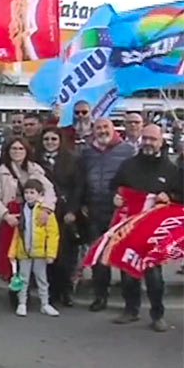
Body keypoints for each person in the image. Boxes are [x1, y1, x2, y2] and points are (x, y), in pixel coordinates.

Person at [109, 123, 181, 332]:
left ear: (161, 141)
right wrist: (116, 196)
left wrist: (171, 197)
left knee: (154, 276)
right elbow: (114, 185)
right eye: (145, 138)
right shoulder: (128, 165)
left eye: (153, 139)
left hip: (155, 232)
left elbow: (181, 196)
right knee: (128, 272)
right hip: (130, 228)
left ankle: (157, 315)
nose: (148, 143)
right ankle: (130, 310)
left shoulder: (171, 169)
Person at [79, 117, 135, 312]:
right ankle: (100, 296)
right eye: (98, 128)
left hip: (120, 212)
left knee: (123, 257)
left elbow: (134, 180)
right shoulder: (86, 152)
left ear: (113, 129)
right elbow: (81, 180)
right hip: (95, 211)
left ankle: (130, 304)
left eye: (106, 127)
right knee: (99, 258)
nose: (102, 131)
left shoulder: (127, 150)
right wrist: (83, 202)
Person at [0, 138, 56, 278]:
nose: (17, 152)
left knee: (30, 255)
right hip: (8, 219)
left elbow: (49, 191)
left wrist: (46, 210)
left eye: (20, 149)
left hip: (32, 217)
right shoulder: (1, 172)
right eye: (14, 148)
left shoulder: (36, 170)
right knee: (8, 257)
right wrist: (5, 215)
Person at [37, 127, 83, 307]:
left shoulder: (72, 159)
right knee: (47, 254)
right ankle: (50, 292)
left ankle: (66, 291)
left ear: (60, 140)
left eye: (53, 139)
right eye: (46, 139)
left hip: (65, 212)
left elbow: (79, 187)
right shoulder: (36, 160)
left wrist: (73, 210)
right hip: (44, 211)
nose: (50, 142)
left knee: (65, 256)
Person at [9, 179, 60, 317]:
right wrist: (12, 252)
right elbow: (17, 234)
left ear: (40, 194)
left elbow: (52, 234)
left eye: (32, 192)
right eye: (26, 192)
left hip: (40, 252)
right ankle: (22, 303)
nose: (29, 195)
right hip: (24, 251)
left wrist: (50, 254)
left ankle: (45, 303)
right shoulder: (22, 210)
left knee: (42, 279)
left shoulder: (45, 212)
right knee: (23, 279)